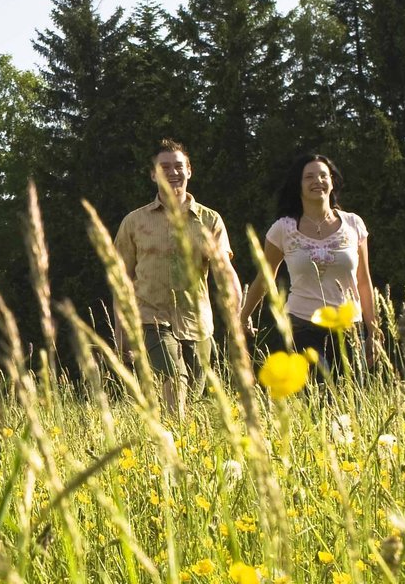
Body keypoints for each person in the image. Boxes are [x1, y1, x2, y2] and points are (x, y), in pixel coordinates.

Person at [114, 139, 241, 418]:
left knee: (193, 395)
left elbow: (224, 269)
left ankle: (178, 442)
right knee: (175, 379)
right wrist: (121, 332)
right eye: (165, 167)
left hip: (197, 322)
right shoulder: (134, 223)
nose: (173, 173)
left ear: (189, 171)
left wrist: (237, 307)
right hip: (152, 319)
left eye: (178, 166)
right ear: (153, 174)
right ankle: (177, 448)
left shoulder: (209, 220)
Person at [239, 153, 378, 371]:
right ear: (299, 185)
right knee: (320, 391)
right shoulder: (283, 229)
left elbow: (363, 280)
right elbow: (265, 278)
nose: (318, 181)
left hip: (349, 325)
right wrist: (243, 317)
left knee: (352, 397)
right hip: (302, 325)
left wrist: (373, 330)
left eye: (323, 175)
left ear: (332, 182)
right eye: (309, 177)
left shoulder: (353, 224)